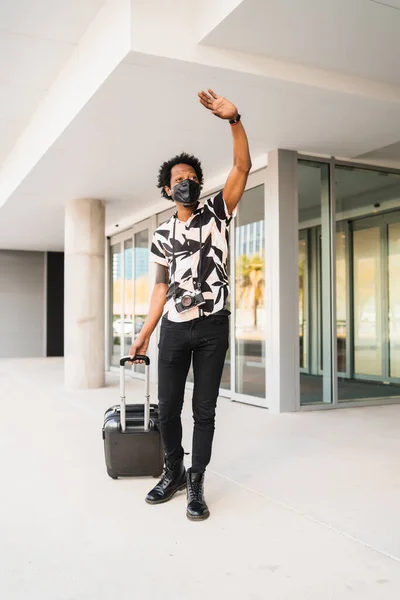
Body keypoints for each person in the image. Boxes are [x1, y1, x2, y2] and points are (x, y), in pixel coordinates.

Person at [129, 89, 251, 521]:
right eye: (178, 179)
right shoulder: (161, 236)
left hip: (213, 326)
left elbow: (241, 166)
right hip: (176, 330)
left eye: (192, 177)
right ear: (167, 189)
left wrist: (233, 120)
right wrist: (144, 334)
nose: (186, 181)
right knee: (168, 407)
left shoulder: (218, 211)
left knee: (204, 410)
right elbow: (160, 289)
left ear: (199, 183)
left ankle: (196, 482)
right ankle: (173, 471)